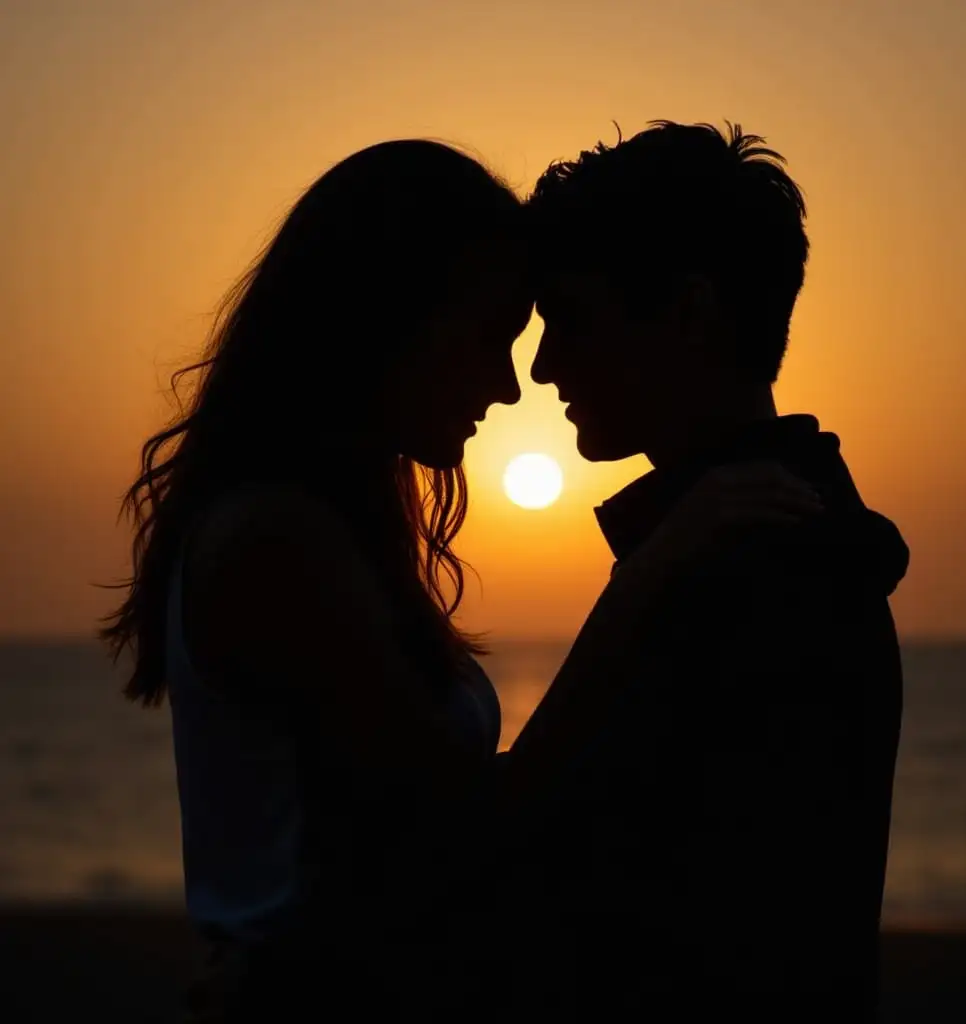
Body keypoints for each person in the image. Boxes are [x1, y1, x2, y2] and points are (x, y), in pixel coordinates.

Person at [99, 135, 824, 1021]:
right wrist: (643, 585)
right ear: (388, 321)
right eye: (492, 337)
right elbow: (469, 829)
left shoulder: (325, 530)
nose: (514, 385)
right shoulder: (273, 542)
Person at [506, 121, 909, 1021]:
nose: (541, 365)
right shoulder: (742, 547)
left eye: (569, 319)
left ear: (688, 314)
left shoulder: (760, 577)